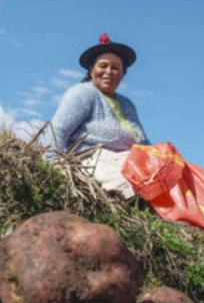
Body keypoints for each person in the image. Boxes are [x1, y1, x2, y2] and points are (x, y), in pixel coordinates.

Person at [51, 33, 149, 196]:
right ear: (91, 70)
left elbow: (144, 141)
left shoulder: (127, 104)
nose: (109, 72)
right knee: (133, 185)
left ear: (122, 74)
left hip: (132, 160)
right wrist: (54, 165)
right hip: (95, 159)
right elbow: (57, 130)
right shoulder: (82, 93)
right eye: (103, 66)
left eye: (115, 68)